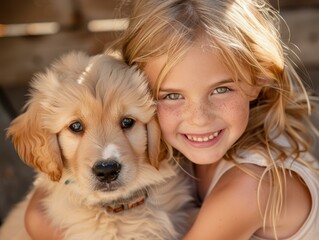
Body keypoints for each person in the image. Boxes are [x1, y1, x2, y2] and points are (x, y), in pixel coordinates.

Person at [25, 0, 319, 239]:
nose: (199, 118)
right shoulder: (184, 149)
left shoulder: (250, 189)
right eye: (172, 96)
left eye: (221, 89)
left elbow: (38, 218)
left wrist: (42, 227)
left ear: (258, 80)